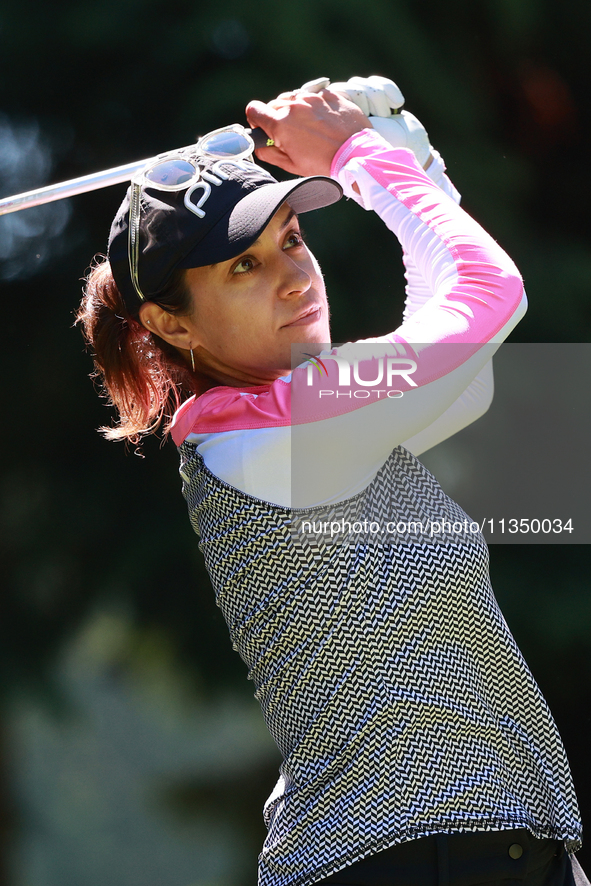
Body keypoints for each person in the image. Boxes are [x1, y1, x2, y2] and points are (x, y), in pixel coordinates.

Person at [77, 77, 584, 886]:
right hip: (410, 862)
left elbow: (468, 375)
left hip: (473, 854)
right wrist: (361, 155)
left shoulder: (305, 418)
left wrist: (413, 160)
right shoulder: (273, 428)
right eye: (244, 264)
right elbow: (486, 301)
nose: (291, 276)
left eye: (291, 241)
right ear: (171, 325)